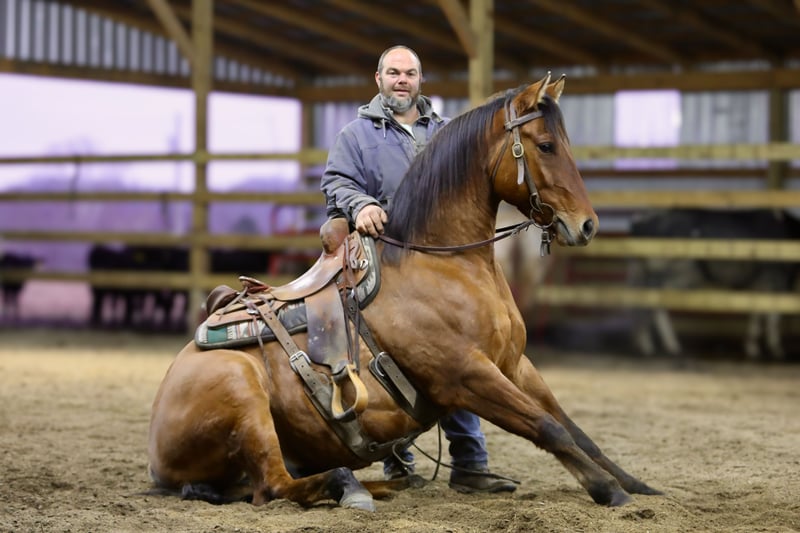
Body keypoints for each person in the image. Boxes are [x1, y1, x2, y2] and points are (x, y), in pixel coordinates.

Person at [320, 45, 517, 494]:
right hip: (385, 252)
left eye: (409, 73)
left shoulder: (445, 132)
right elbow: (336, 182)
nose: (402, 80)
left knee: (459, 352)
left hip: (440, 263)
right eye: (393, 72)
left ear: (420, 80)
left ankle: (470, 461)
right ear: (378, 79)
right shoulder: (355, 135)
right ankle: (399, 460)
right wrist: (362, 204)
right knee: (386, 354)